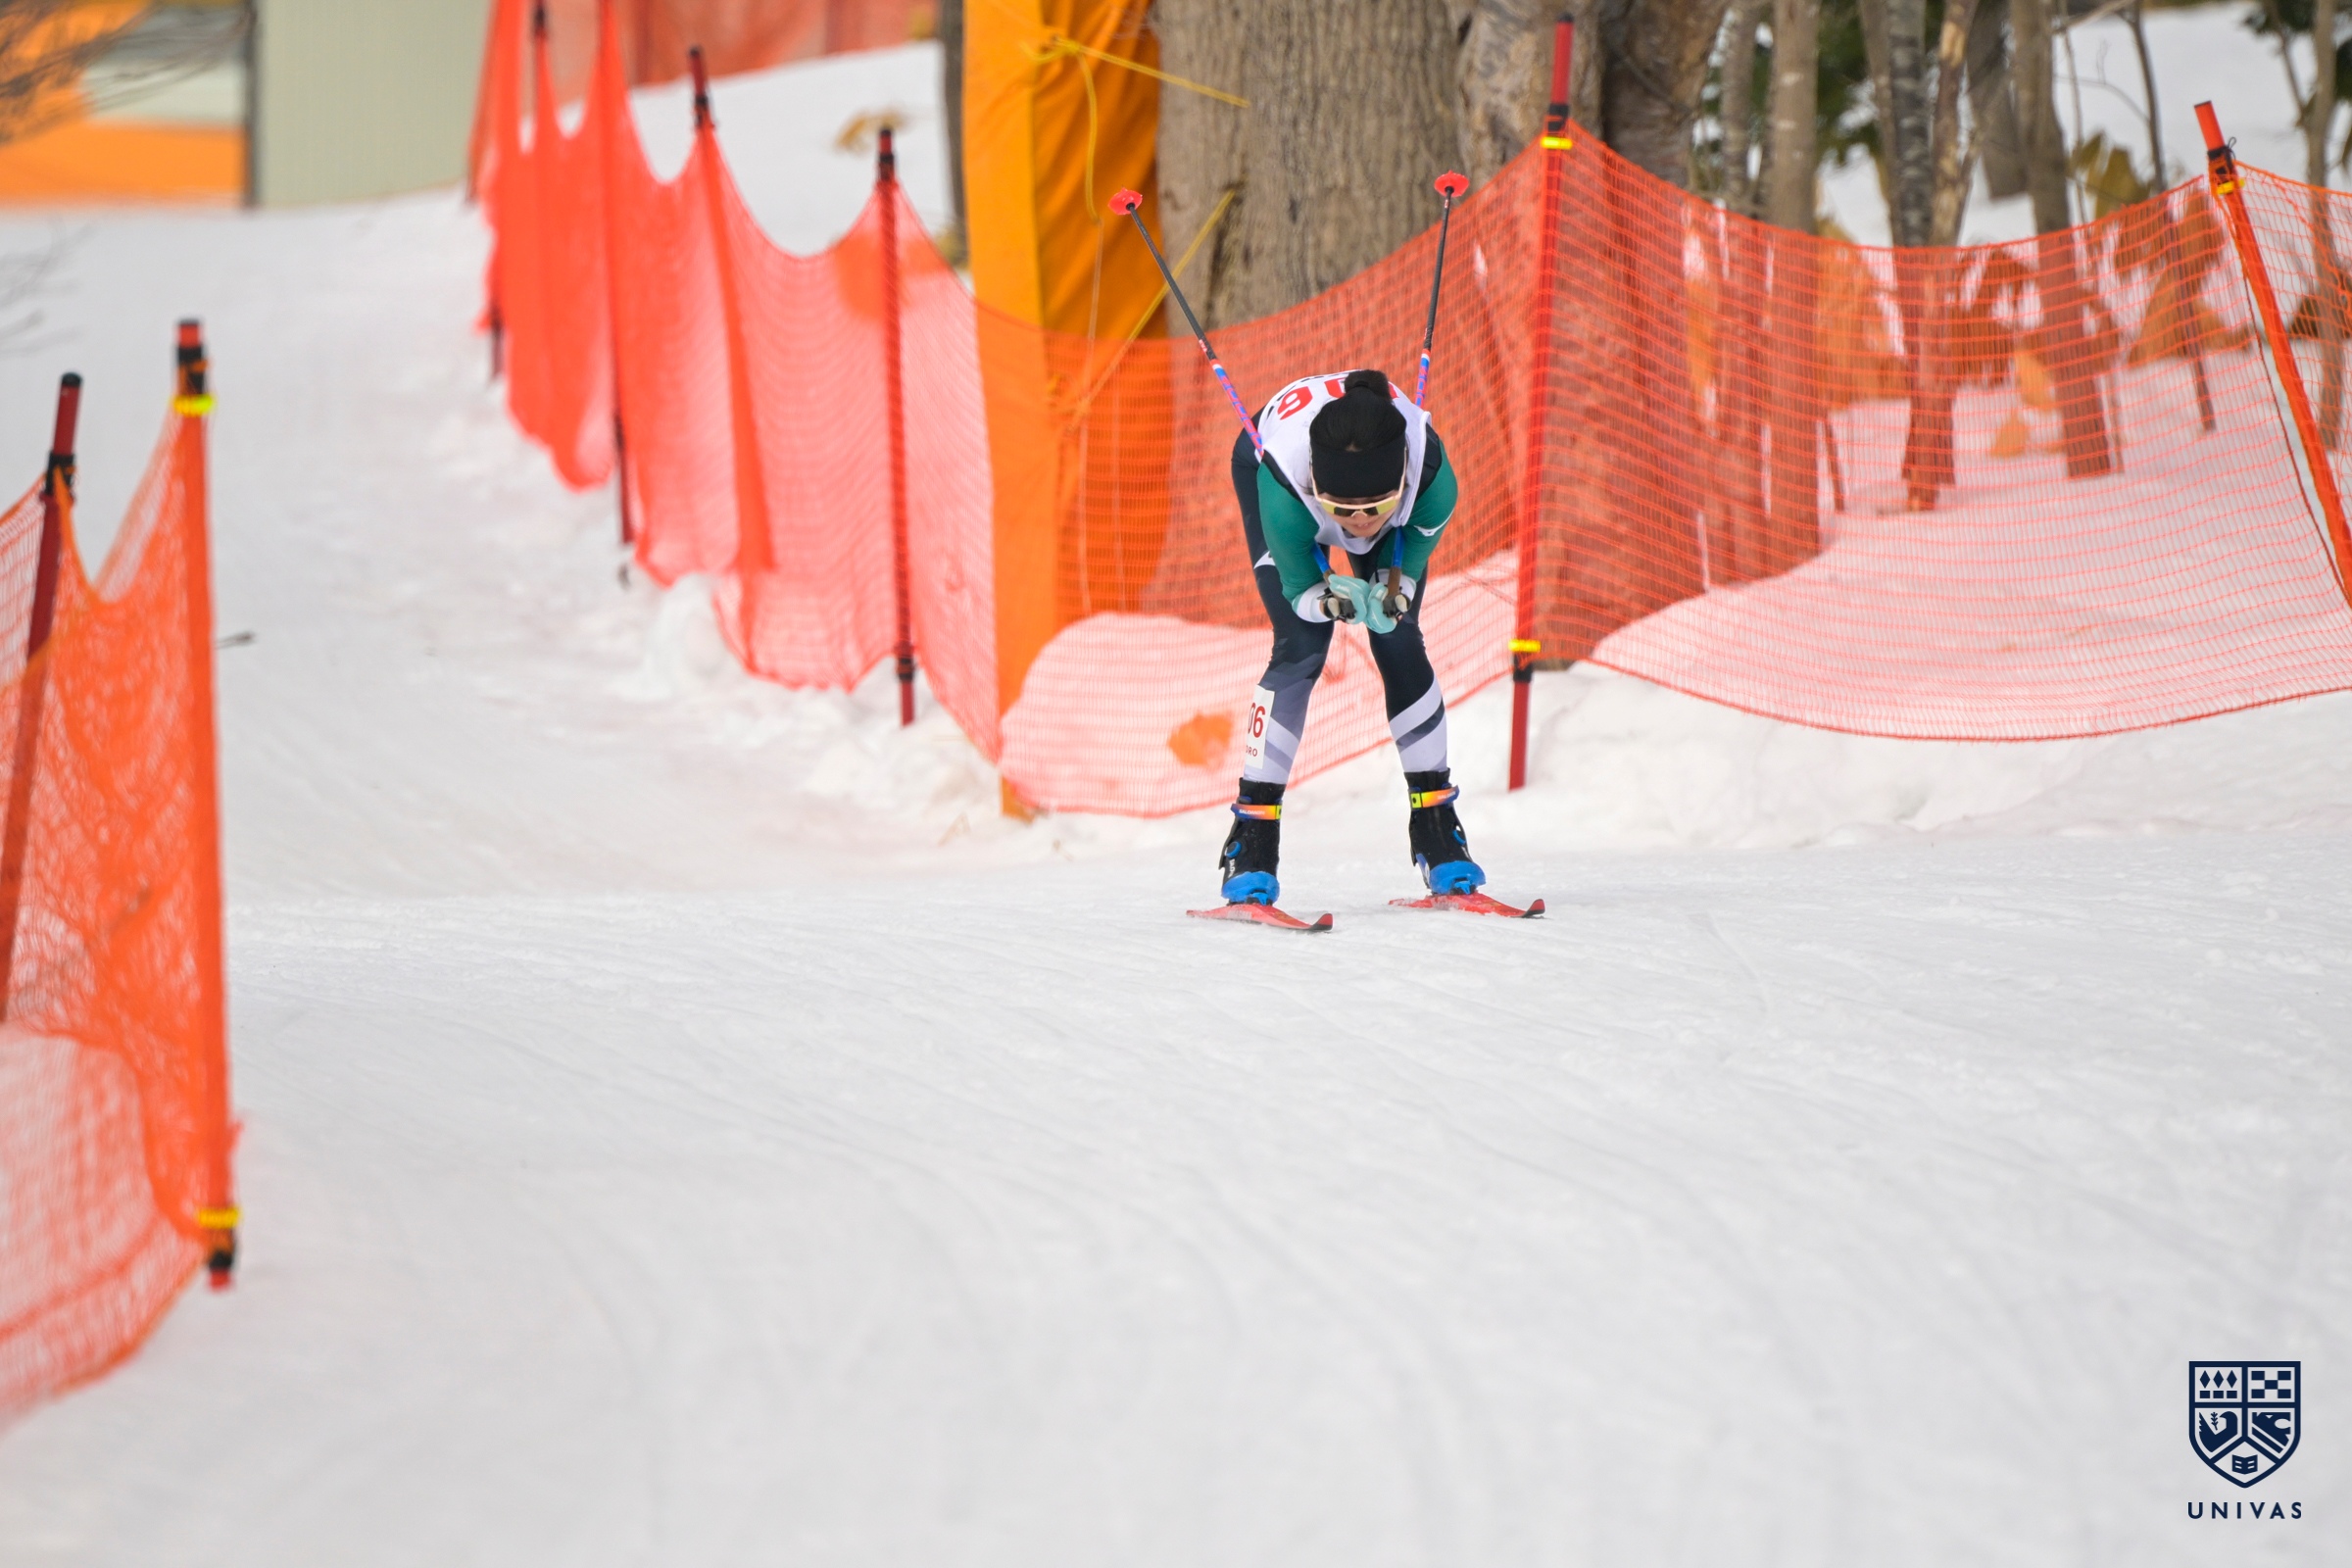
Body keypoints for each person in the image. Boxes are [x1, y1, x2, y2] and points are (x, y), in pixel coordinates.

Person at [1217, 368, 1483, 906]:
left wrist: (1394, 593)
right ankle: (1251, 838)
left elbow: (1403, 573)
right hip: (1274, 475)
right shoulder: (1285, 485)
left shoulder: (1432, 482)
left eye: (1376, 507)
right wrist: (1325, 600)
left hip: (1364, 494)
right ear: (1319, 488)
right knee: (1302, 642)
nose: (1359, 523)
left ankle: (1438, 828)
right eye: (1342, 511)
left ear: (1402, 483)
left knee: (1398, 637)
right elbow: (1300, 590)